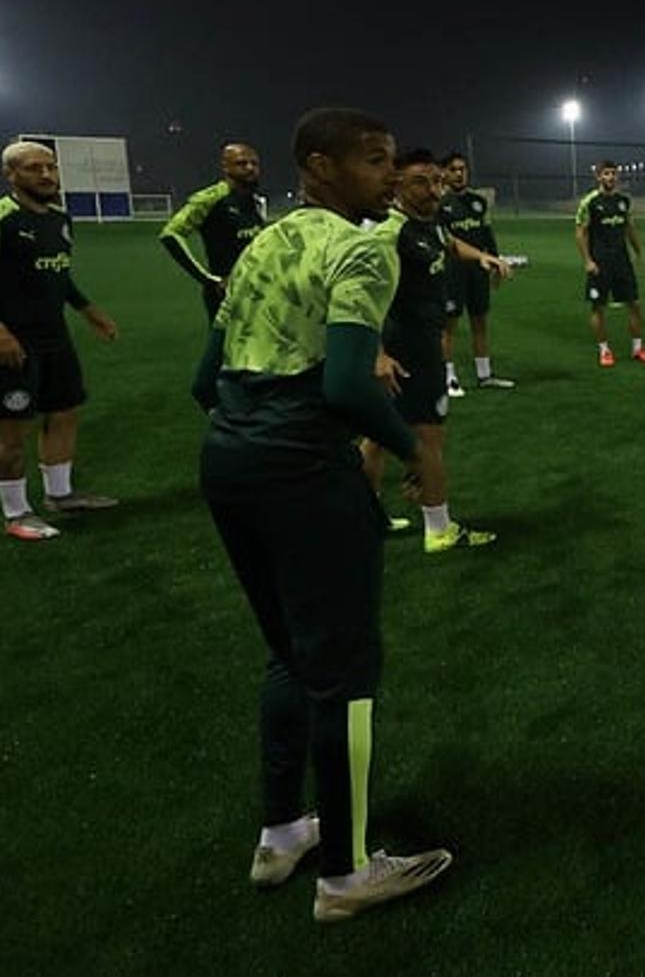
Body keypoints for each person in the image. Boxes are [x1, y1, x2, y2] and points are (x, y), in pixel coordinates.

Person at [192, 107, 453, 922]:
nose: (391, 176)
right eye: (374, 161)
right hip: (302, 468)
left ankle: (282, 833)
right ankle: (345, 873)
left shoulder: (264, 241)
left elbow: (207, 378)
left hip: (228, 458)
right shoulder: (364, 247)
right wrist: (411, 448)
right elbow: (345, 385)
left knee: (288, 656)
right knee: (345, 673)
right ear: (320, 167)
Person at [0, 142, 121, 540]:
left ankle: (61, 495)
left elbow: (56, 275)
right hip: (11, 340)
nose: (46, 175)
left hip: (53, 336)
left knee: (64, 411)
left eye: (50, 168)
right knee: (14, 428)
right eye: (33, 169)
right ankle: (16, 514)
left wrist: (85, 308)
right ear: (10, 174)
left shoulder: (60, 219)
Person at [362, 148, 508, 553]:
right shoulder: (390, 233)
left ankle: (366, 518)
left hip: (416, 347)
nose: (433, 190)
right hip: (405, 352)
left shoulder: (429, 225)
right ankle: (439, 529)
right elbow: (359, 298)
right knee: (429, 439)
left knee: (375, 438)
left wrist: (484, 257)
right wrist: (376, 353)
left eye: (435, 181)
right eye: (420, 182)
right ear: (397, 185)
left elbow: (451, 244)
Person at [160, 143, 266, 320]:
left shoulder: (255, 202)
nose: (250, 168)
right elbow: (170, 234)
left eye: (254, 163)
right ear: (225, 167)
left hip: (258, 291)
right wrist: (208, 280)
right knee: (224, 346)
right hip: (225, 294)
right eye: (242, 163)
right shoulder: (211, 198)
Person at [437, 153, 515, 394]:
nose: (459, 173)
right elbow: (444, 241)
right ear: (445, 173)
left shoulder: (478, 202)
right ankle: (448, 378)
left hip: (478, 271)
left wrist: (495, 262)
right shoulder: (440, 204)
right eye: (453, 169)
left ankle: (485, 375)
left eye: (462, 169)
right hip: (451, 271)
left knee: (479, 322)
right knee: (448, 326)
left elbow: (487, 235)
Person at [575, 161, 645, 367]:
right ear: (598, 177)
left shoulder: (623, 201)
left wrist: (638, 252)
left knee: (634, 305)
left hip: (622, 261)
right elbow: (580, 233)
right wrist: (588, 261)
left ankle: (638, 348)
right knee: (598, 308)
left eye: (613, 174)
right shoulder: (589, 202)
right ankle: (604, 350)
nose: (611, 177)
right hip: (600, 263)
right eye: (606, 174)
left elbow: (629, 227)